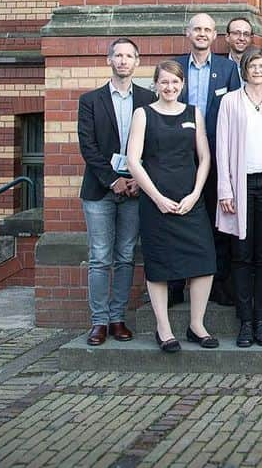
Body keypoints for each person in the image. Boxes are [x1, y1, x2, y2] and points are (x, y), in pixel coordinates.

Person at [126, 60, 218, 352]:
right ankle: (163, 329)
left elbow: (204, 157)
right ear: (155, 85)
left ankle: (196, 325)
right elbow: (133, 161)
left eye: (175, 82)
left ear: (183, 85)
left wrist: (194, 194)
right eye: (164, 82)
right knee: (159, 264)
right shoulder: (143, 114)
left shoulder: (194, 113)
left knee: (204, 261)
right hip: (156, 201)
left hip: (190, 200)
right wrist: (156, 198)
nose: (170, 87)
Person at [77, 38, 156, 346]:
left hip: (136, 190)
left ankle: (117, 318)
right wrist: (113, 180)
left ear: (137, 62)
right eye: (118, 55)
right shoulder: (90, 100)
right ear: (109, 60)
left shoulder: (148, 98)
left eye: (129, 56)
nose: (123, 61)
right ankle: (98, 322)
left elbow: (154, 145)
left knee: (125, 256)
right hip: (100, 189)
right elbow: (89, 147)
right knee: (99, 257)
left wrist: (138, 179)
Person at [215, 49, 262, 348]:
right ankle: (245, 322)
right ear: (244, 70)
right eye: (252, 66)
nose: (257, 70)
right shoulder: (230, 102)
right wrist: (225, 189)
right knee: (241, 254)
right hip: (241, 183)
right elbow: (221, 147)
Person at [173, 13, 241, 308]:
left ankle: (218, 285)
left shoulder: (228, 69)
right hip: (178, 156)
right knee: (177, 220)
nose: (202, 34)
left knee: (218, 223)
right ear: (188, 33)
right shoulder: (175, 67)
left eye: (208, 30)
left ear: (216, 36)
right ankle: (175, 285)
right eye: (197, 29)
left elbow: (237, 114)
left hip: (217, 155)